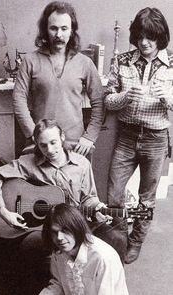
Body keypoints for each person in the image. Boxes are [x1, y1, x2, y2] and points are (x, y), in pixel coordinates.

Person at [0, 119, 127, 294]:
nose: (49, 150)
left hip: (76, 223)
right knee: (31, 245)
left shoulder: (82, 164)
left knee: (116, 238)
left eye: (53, 143)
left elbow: (89, 198)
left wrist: (98, 208)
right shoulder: (28, 162)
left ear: (62, 137)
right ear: (37, 144)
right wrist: (4, 211)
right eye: (43, 145)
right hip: (47, 227)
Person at [104, 7, 173, 264]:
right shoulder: (122, 60)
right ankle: (121, 237)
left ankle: (136, 242)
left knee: (146, 198)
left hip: (156, 139)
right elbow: (108, 100)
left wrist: (167, 97)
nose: (144, 42)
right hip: (126, 136)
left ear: (160, 37)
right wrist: (123, 97)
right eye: (140, 36)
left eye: (151, 37)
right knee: (113, 194)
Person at [13, 1, 104, 157]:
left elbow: (99, 102)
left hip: (76, 145)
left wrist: (89, 137)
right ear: (45, 30)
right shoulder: (30, 61)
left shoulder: (84, 63)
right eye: (53, 28)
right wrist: (33, 135)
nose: (59, 35)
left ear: (72, 30)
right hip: (42, 145)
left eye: (64, 28)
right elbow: (18, 99)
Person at [39, 203, 129, 295]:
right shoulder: (59, 253)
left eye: (64, 230)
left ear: (76, 228)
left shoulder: (103, 258)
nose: (59, 237)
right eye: (54, 232)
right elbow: (58, 285)